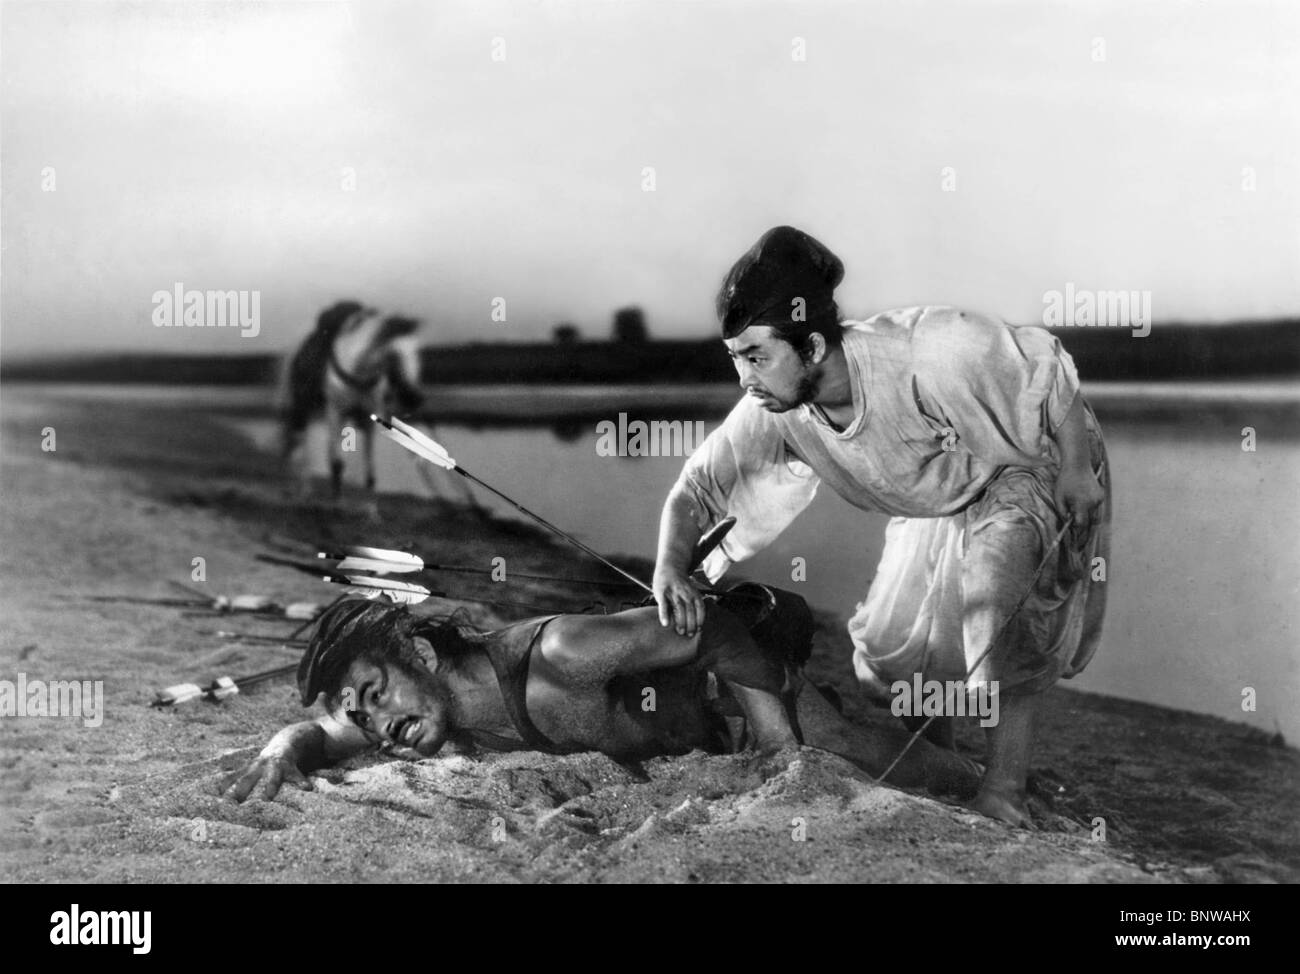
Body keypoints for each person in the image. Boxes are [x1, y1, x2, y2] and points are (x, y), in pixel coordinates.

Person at [652, 225, 1110, 827]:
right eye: (737, 358)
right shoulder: (776, 410)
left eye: (758, 357)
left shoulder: (929, 348)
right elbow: (696, 490)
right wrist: (668, 567)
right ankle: (940, 758)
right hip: (943, 488)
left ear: (813, 347)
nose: (745, 378)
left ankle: (1004, 792)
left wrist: (1077, 472)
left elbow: (1051, 374)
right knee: (904, 643)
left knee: (992, 611)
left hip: (1031, 461)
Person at [221, 590, 982, 803]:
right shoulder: (417, 713)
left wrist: (780, 746)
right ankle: (935, 719)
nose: (378, 726)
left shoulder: (559, 655)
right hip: (685, 728)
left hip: (731, 681)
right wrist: (280, 750)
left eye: (376, 696)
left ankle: (984, 782)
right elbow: (320, 733)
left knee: (847, 749)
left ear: (417, 652)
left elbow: (712, 625)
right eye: (366, 715)